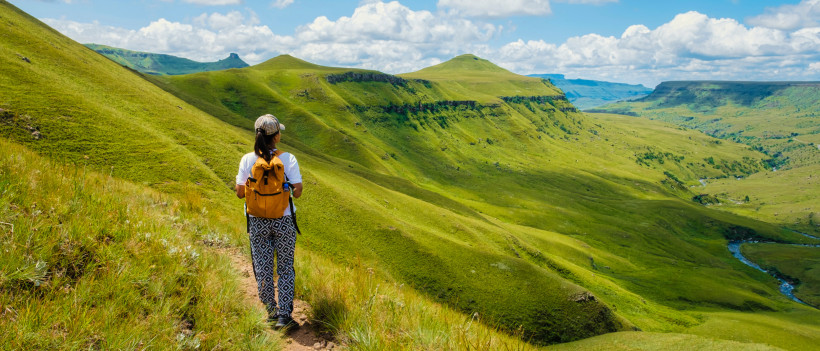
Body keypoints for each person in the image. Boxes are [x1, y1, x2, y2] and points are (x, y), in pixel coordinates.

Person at [235, 114, 303, 329]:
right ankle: (285, 316)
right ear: (277, 136)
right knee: (285, 267)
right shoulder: (288, 158)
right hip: (283, 220)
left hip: (257, 221)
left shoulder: (248, 159)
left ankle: (271, 312)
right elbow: (298, 192)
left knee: (262, 266)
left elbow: (239, 193)